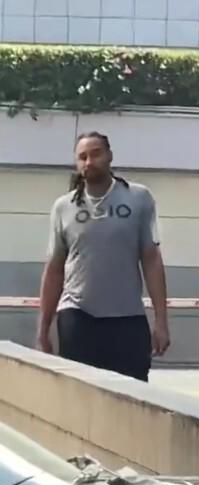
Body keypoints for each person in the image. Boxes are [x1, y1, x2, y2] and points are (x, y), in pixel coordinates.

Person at [36, 131, 170, 382]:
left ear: (109, 156)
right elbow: (54, 268)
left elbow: (151, 259)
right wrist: (43, 329)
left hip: (127, 317)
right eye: (82, 157)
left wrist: (161, 321)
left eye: (96, 154)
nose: (89, 162)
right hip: (78, 315)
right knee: (79, 393)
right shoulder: (63, 207)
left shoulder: (138, 198)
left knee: (132, 394)